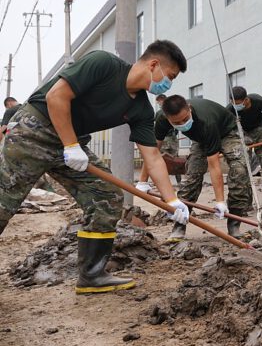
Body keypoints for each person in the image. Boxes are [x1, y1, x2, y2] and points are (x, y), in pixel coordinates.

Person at [0, 41, 189, 294]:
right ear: (154, 65)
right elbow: (56, 96)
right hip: (35, 129)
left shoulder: (141, 108)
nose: (168, 84)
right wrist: (70, 145)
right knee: (4, 202)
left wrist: (172, 200)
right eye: (170, 76)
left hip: (71, 144)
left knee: (107, 195)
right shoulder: (103, 63)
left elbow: (152, 156)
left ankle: (92, 274)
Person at [156, 95, 253, 240]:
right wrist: (142, 182)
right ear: (168, 118)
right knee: (192, 176)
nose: (182, 124)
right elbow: (152, 152)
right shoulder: (162, 120)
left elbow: (214, 166)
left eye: (185, 119)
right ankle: (179, 225)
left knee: (240, 170)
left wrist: (219, 201)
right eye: (177, 122)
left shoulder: (206, 121)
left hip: (227, 132)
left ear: (189, 108)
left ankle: (234, 223)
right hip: (201, 138)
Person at [227, 86, 262, 205]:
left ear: (246, 100)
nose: (235, 106)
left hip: (260, 131)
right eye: (233, 103)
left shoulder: (258, 100)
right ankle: (246, 202)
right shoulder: (229, 110)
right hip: (243, 134)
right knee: (244, 168)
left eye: (238, 103)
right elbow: (228, 128)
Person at [136, 94, 182, 188]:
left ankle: (163, 183)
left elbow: (157, 127)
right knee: (172, 160)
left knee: (161, 159)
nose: (159, 104)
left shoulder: (161, 113)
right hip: (171, 138)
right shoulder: (170, 110)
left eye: (159, 102)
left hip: (165, 139)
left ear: (162, 100)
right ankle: (177, 183)